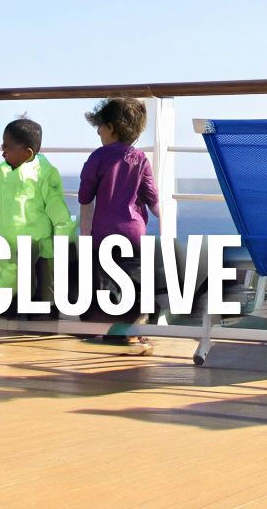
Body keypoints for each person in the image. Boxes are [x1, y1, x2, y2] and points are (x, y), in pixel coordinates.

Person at [78, 96, 159, 353]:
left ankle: (109, 328)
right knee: (135, 283)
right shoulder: (141, 160)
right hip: (134, 234)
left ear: (111, 128)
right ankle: (132, 330)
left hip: (104, 234)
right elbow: (153, 198)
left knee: (106, 284)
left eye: (100, 126)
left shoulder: (97, 158)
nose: (98, 132)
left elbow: (85, 197)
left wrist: (85, 232)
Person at [0, 117, 76, 306]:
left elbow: (61, 217)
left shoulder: (44, 175)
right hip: (5, 245)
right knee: (9, 282)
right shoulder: (3, 171)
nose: (2, 151)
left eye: (7, 147)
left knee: (40, 296)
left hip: (35, 250)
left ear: (27, 153)